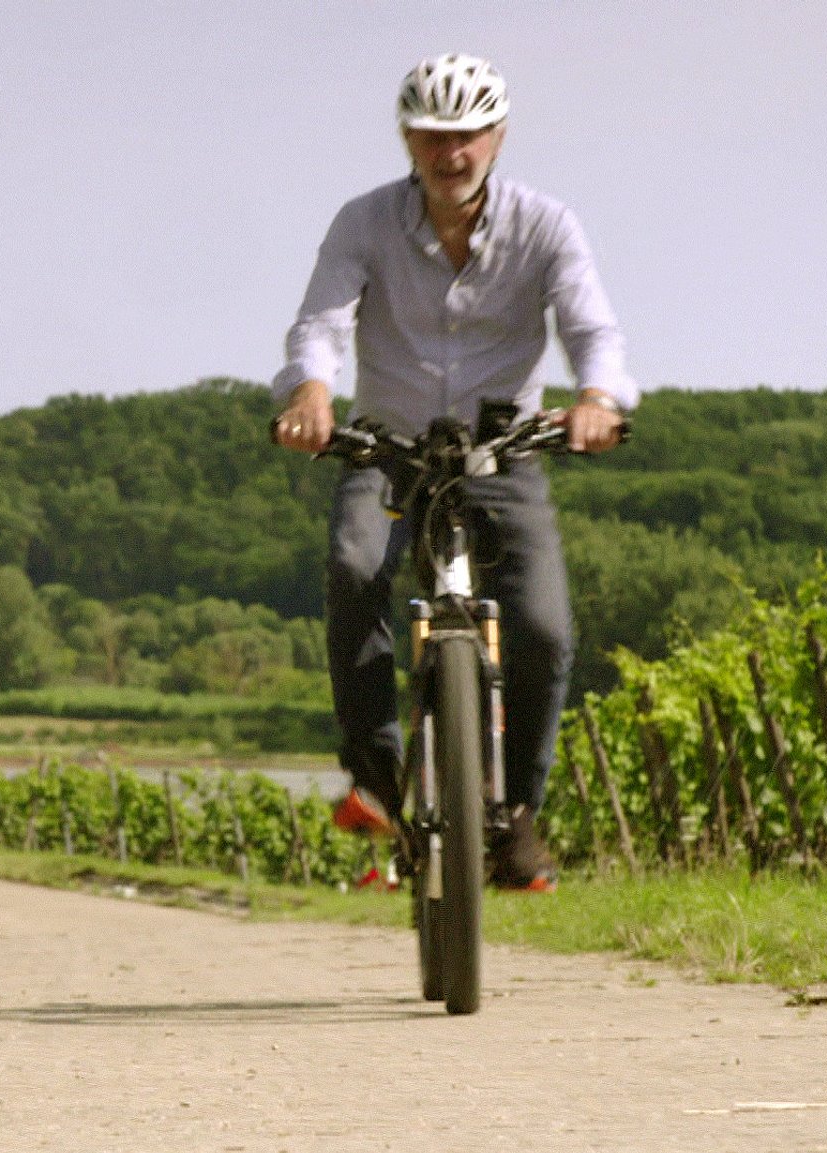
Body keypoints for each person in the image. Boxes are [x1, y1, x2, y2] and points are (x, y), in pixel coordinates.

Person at [269, 53, 633, 891]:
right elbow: (318, 323)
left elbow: (592, 327)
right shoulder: (362, 223)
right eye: (434, 134)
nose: (451, 151)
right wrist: (313, 392)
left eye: (468, 133)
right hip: (389, 447)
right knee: (355, 566)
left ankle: (516, 821)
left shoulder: (547, 225)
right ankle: (377, 776)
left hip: (502, 450)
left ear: (497, 136)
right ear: (408, 138)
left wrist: (597, 398)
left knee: (541, 625)